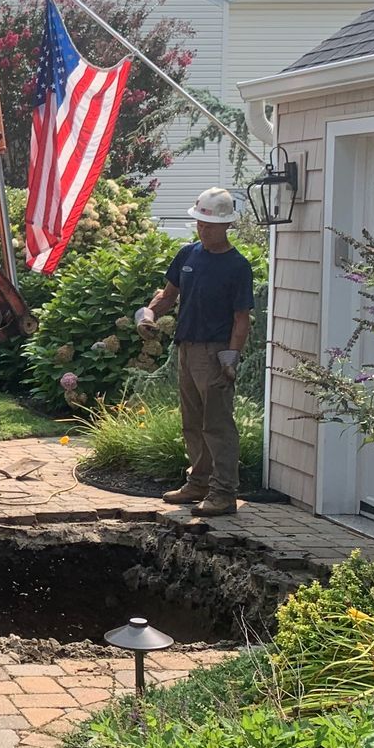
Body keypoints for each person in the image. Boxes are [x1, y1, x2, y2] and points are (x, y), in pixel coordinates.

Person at [134, 186, 254, 517]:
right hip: (186, 348)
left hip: (215, 353)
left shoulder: (237, 266)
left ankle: (223, 493)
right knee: (193, 421)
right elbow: (169, 294)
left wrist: (231, 357)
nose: (203, 228)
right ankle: (198, 482)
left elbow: (241, 318)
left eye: (210, 224)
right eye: (200, 222)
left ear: (226, 225)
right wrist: (148, 313)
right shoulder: (188, 255)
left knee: (217, 424)